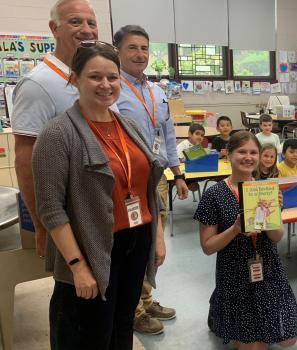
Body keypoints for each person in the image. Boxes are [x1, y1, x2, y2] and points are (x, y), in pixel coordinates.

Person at [31, 41, 165, 350]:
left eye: (112, 77)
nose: (105, 85)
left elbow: (147, 187)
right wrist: (77, 266)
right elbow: (51, 209)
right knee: (89, 334)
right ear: (74, 79)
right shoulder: (57, 134)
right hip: (91, 249)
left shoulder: (128, 125)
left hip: (135, 241)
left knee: (121, 326)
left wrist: (156, 236)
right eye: (94, 77)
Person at [194, 131, 297, 349]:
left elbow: (277, 237)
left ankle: (221, 311)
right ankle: (221, 311)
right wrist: (234, 229)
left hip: (267, 266)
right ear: (229, 154)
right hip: (235, 273)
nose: (248, 157)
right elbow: (207, 247)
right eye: (242, 151)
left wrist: (274, 212)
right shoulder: (214, 195)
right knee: (253, 345)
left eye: (253, 152)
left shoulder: (266, 188)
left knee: (288, 340)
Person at [12, 0, 98, 257]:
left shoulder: (92, 79)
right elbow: (25, 161)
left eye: (91, 23)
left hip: (98, 207)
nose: (86, 30)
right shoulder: (38, 84)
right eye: (75, 21)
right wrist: (41, 225)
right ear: (54, 28)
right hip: (68, 214)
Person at [113, 24, 183, 335]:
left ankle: (145, 295)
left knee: (153, 242)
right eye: (132, 47)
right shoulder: (113, 89)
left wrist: (177, 172)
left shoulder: (156, 92)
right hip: (127, 179)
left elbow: (167, 134)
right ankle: (133, 309)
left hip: (156, 177)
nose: (139, 54)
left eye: (144, 48)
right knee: (132, 242)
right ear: (118, 51)